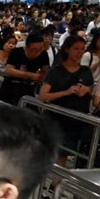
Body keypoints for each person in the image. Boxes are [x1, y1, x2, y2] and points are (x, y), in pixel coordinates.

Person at [39, 35, 94, 171]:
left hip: (75, 120)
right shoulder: (56, 71)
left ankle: (53, 186)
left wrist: (87, 90)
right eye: (76, 49)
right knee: (53, 153)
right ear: (67, 49)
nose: (79, 52)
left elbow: (94, 92)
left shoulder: (86, 71)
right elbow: (43, 95)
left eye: (82, 49)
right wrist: (66, 92)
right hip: (56, 119)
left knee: (64, 155)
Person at [0, 32, 47, 105]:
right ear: (27, 47)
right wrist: (31, 75)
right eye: (34, 49)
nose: (38, 52)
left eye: (40, 49)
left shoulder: (43, 55)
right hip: (11, 88)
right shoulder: (16, 52)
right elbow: (9, 70)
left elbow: (45, 71)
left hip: (30, 90)